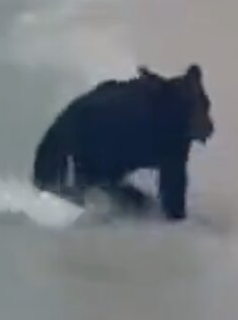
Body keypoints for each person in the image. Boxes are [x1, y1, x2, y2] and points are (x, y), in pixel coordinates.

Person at [32, 65, 214, 222]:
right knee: (109, 198)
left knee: (127, 204)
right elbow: (172, 198)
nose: (208, 127)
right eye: (201, 116)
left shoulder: (177, 122)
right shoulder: (167, 123)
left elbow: (173, 196)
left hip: (96, 128)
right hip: (93, 130)